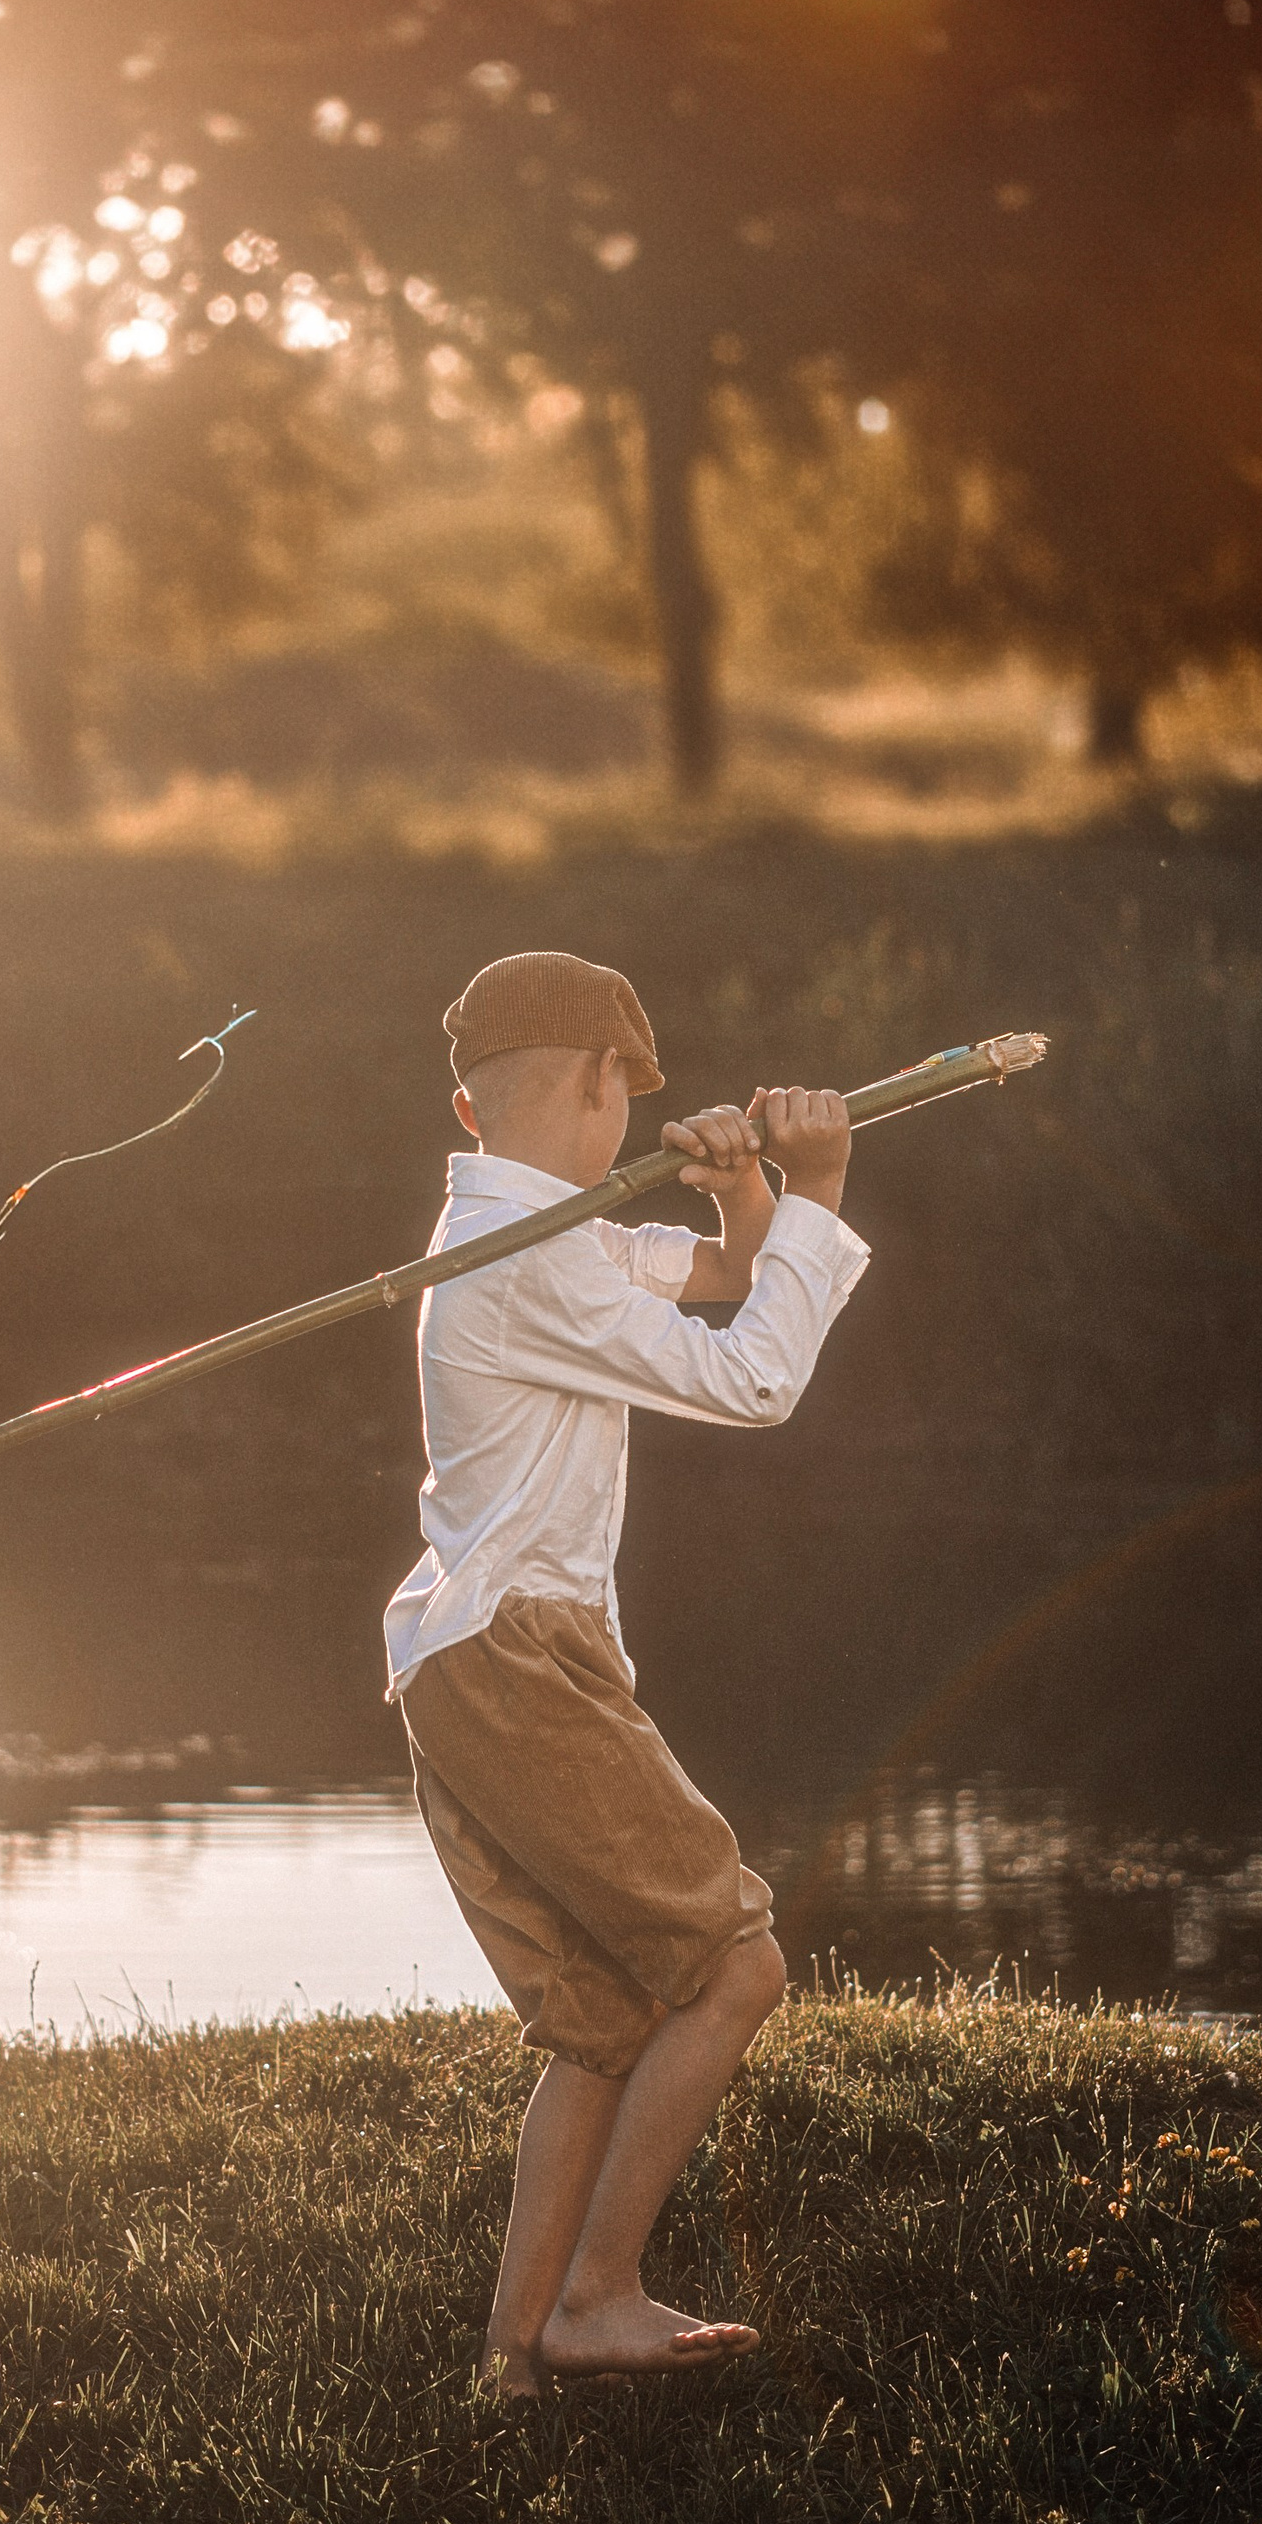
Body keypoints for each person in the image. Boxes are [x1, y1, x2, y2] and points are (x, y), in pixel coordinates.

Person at [386, 951, 867, 2394]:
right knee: (735, 1965)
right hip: (519, 1654)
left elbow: (722, 1278)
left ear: (472, 1103)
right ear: (605, 1082)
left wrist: (741, 1194)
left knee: (601, 2021)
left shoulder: (539, 1231)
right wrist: (823, 1191)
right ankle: (596, 2294)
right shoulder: (526, 1260)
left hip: (473, 1658)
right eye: (627, 1090)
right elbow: (754, 1374)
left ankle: (510, 2357)